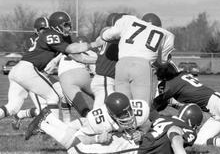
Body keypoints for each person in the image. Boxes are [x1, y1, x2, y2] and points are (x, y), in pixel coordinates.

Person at [0, 11, 98, 121]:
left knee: (12, 108)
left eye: (70, 25)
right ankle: (55, 129)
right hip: (29, 70)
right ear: (57, 26)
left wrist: (98, 60)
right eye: (66, 25)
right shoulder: (51, 34)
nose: (69, 28)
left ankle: (47, 126)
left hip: (19, 70)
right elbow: (71, 49)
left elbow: (78, 57)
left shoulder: (61, 37)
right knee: (53, 97)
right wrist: (94, 44)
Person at [64, 103, 203, 154]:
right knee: (76, 149)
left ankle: (77, 134)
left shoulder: (164, 118)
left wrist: (142, 133)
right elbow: (175, 133)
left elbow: (150, 120)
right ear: (193, 123)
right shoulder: (185, 128)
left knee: (81, 144)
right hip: (136, 148)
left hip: (132, 140)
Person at [25, 92, 151, 147]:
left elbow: (147, 123)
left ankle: (46, 117)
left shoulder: (140, 109)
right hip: (93, 128)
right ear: (111, 115)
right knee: (73, 145)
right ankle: (43, 123)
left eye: (128, 111)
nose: (128, 116)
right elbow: (79, 138)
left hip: (116, 135)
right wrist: (96, 139)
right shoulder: (98, 121)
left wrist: (142, 132)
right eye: (121, 115)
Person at [100, 13, 175, 105]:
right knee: (142, 106)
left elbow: (105, 36)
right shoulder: (167, 35)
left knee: (123, 104)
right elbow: (162, 62)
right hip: (143, 66)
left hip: (122, 64)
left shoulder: (129, 20)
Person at [90, 13, 120, 108]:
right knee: (101, 111)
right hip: (105, 80)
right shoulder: (113, 37)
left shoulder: (103, 36)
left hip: (103, 79)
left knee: (106, 111)